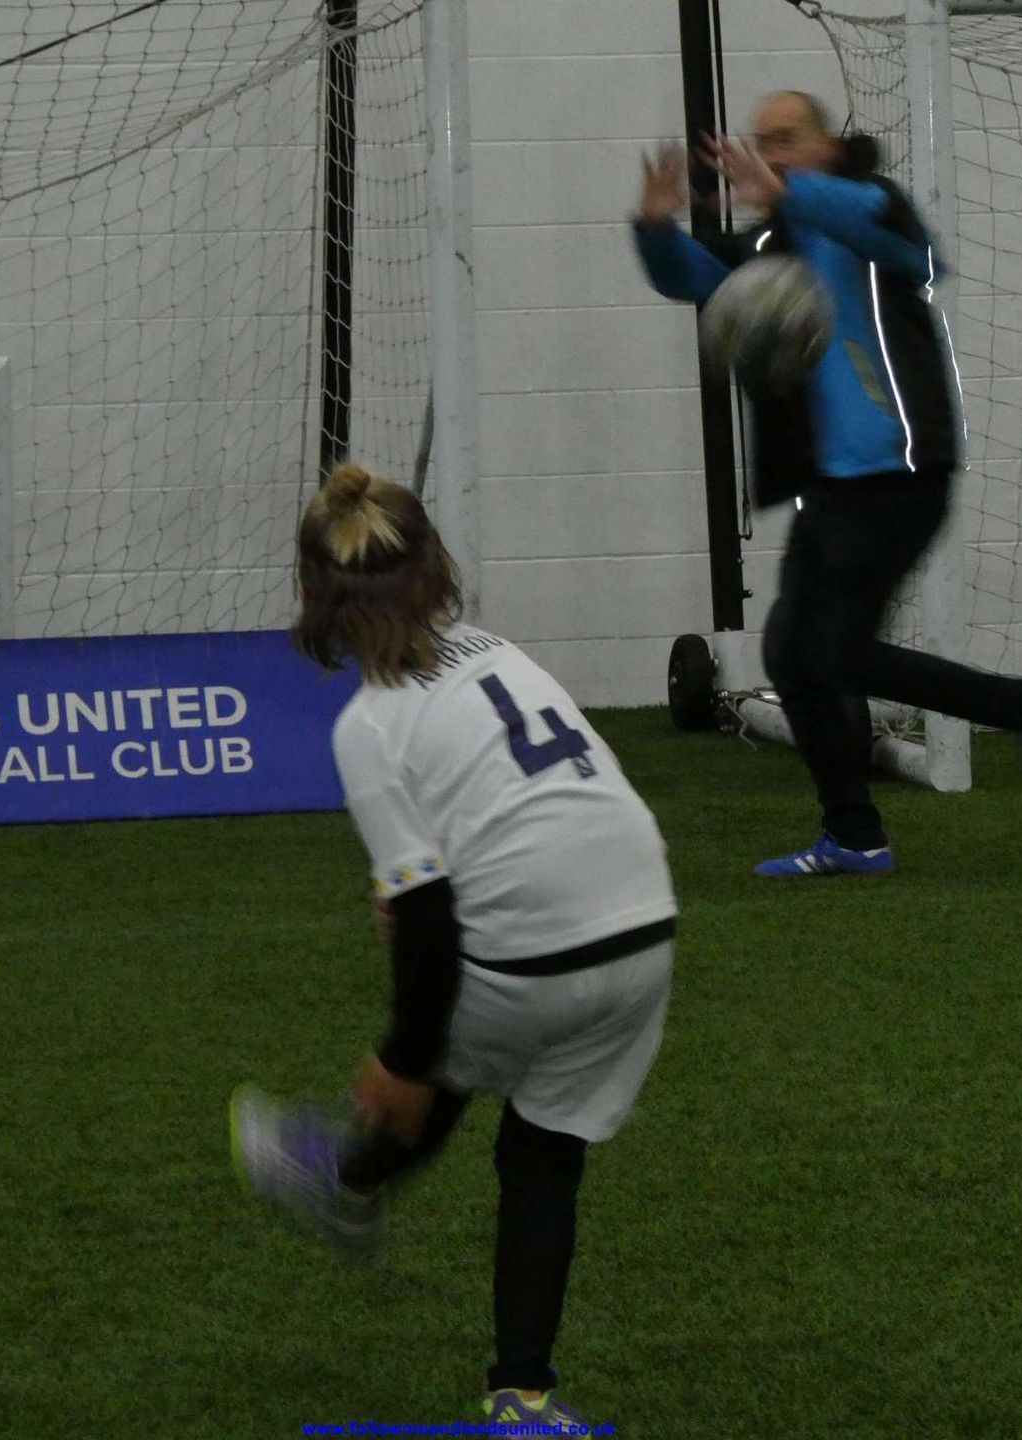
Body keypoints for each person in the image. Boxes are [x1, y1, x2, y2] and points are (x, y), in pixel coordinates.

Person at [231, 462, 677, 1430]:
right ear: (439, 565)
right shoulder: (501, 652)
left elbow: (428, 926)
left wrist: (400, 1058)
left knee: (438, 1055)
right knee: (543, 1154)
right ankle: (524, 1396)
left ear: (311, 593)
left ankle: (347, 1179)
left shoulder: (369, 727)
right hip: (647, 930)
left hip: (530, 959)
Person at [633, 90, 1022, 878]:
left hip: (901, 474)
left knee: (830, 651)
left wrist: (795, 194)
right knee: (793, 653)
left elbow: (919, 259)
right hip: (831, 491)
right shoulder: (773, 241)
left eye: (787, 139)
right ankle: (853, 836)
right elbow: (699, 280)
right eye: (761, 143)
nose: (771, 155)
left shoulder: (874, 207)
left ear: (829, 146)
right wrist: (653, 229)